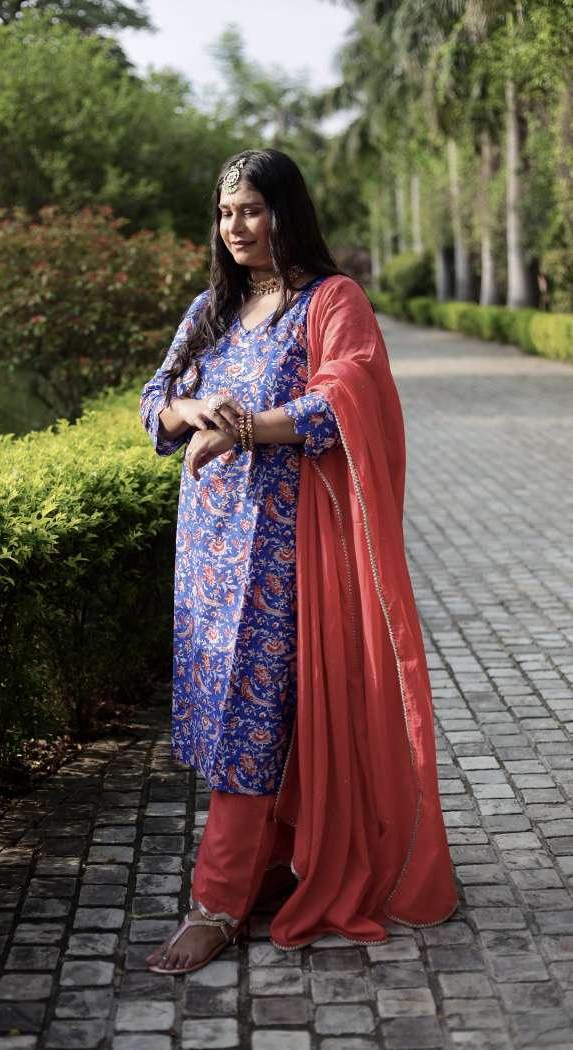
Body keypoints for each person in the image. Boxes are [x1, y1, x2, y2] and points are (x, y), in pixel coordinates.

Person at [138, 148, 458, 975]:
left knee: (251, 711)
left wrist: (245, 427)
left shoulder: (330, 299)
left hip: (286, 550)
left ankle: (217, 900)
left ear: (286, 211)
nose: (235, 227)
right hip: (207, 547)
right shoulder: (212, 308)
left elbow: (346, 392)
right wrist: (190, 407)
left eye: (250, 209)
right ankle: (279, 864)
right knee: (228, 708)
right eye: (223, 212)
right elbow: (153, 403)